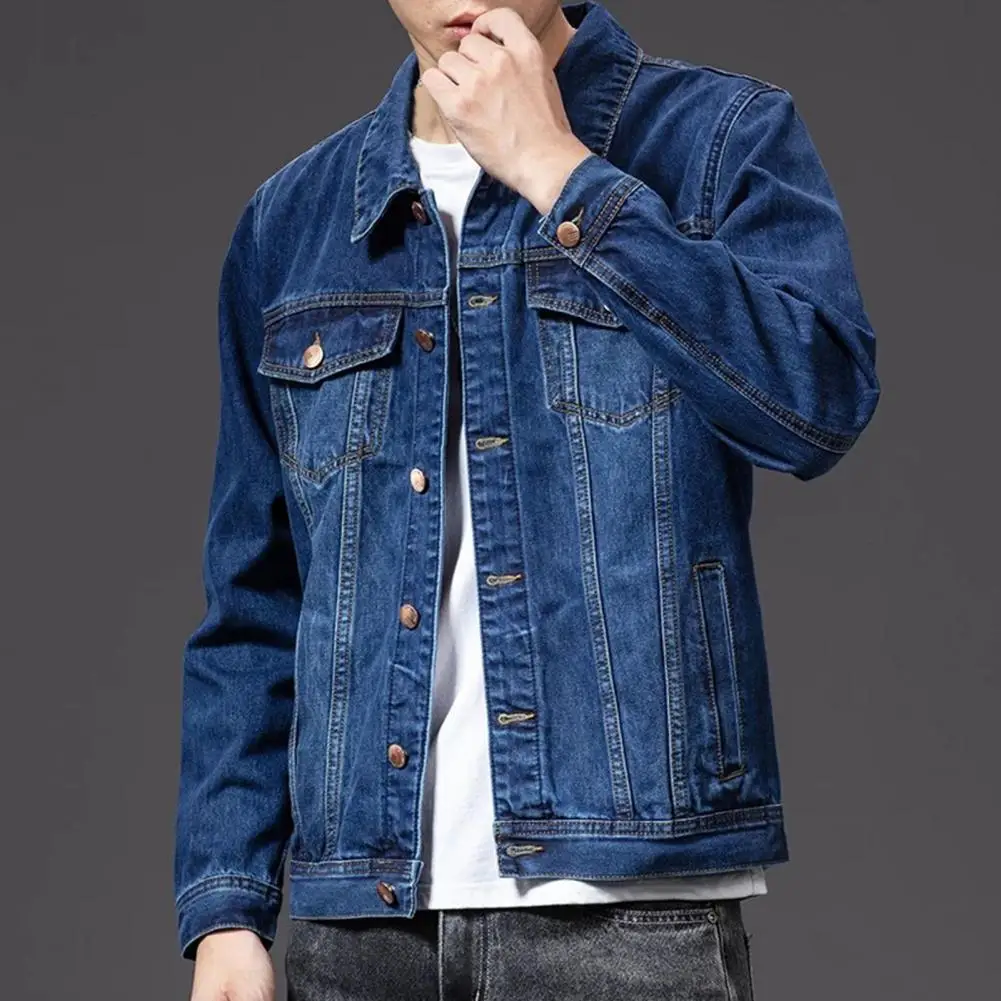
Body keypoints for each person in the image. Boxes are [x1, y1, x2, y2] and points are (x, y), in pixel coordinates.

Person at [173, 2, 880, 999]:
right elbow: (255, 602)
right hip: (361, 931)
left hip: (627, 920)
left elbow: (816, 405)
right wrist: (228, 908)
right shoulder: (291, 222)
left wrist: (561, 174)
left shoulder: (718, 141)